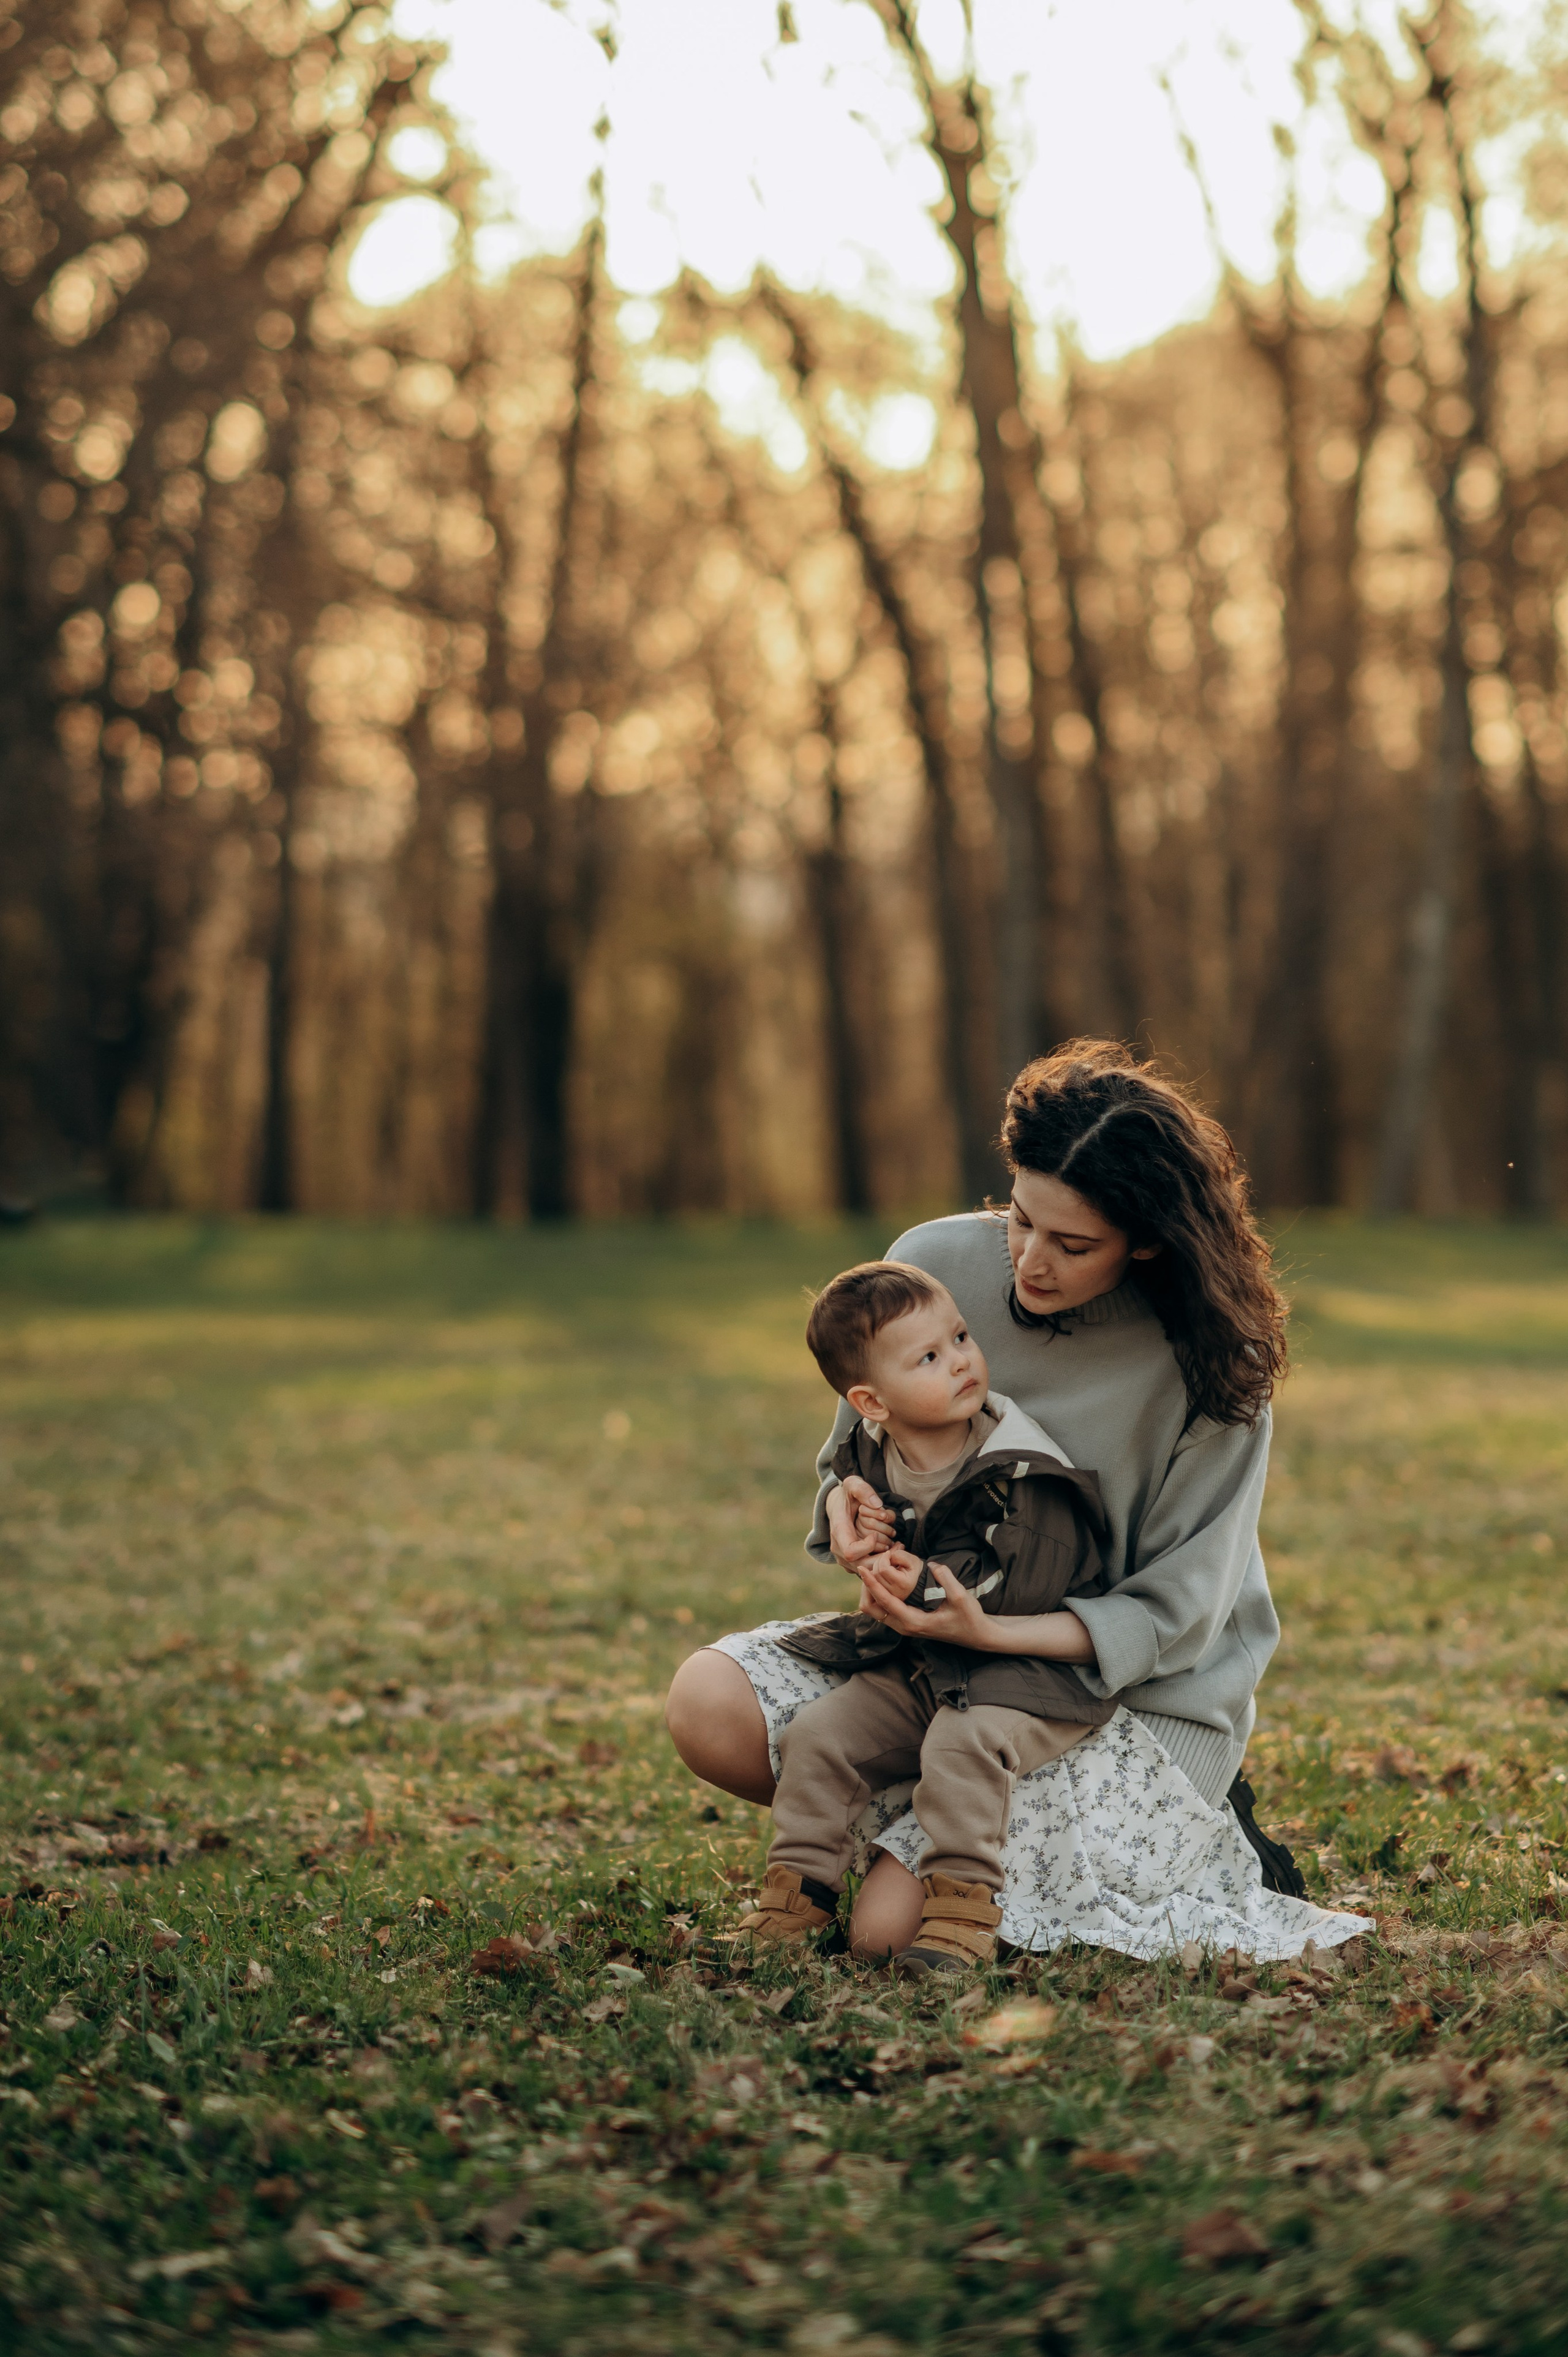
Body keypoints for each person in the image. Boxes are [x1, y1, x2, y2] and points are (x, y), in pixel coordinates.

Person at [668, 1039, 1372, 1965]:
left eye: (1073, 1245)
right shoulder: (932, 1262)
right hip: (929, 1666)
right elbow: (862, 1441)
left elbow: (1178, 1621)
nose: (1028, 1264)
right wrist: (847, 1509)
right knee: (709, 1704)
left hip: (1115, 1694)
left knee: (888, 1934)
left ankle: (1194, 1839)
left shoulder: (1215, 1366)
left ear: (1148, 1240)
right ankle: (925, 1823)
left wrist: (989, 1636)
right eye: (1019, 1219)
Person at [736, 1261, 1117, 1975]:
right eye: (930, 1357)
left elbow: (1035, 1581)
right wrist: (866, 1543)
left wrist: (928, 1589)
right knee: (816, 1735)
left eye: (962, 1337)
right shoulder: (870, 1457)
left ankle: (961, 1914)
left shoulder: (1020, 1465)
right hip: (923, 1664)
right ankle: (797, 1895)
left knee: (960, 1744)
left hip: (1030, 1674)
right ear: (870, 1401)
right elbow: (858, 1524)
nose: (963, 1362)